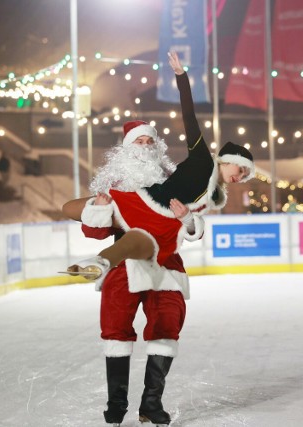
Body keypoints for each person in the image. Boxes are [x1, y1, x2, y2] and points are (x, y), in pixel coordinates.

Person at [62, 119, 203, 425]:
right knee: (116, 332)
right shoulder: (114, 190)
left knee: (167, 328)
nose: (144, 148)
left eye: (149, 143)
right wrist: (99, 209)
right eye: (138, 143)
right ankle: (116, 405)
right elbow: (95, 233)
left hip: (164, 267)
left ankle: (151, 404)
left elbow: (194, 230)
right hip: (124, 265)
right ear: (125, 151)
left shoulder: (173, 186)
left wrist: (187, 219)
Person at [69, 51, 255, 281]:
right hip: (147, 202)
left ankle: (100, 262)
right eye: (241, 170)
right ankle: (99, 261)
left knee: (133, 242)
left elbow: (195, 229)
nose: (241, 176)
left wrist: (187, 218)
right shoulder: (203, 159)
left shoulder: (214, 195)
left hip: (163, 225)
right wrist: (182, 77)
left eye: (245, 176)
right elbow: (189, 117)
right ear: (228, 161)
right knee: (70, 208)